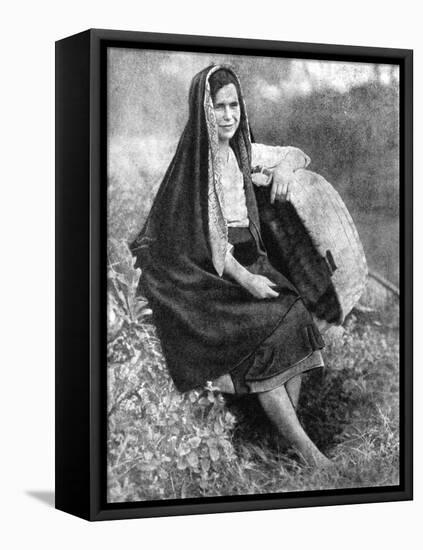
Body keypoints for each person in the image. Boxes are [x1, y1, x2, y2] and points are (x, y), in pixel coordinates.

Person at [130, 65, 332, 468]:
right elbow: (210, 243)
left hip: (248, 257)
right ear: (203, 111)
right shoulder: (198, 165)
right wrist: (249, 281)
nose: (227, 116)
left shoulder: (241, 150)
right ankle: (310, 456)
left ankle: (284, 441)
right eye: (218, 107)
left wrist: (286, 169)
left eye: (233, 105)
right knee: (265, 332)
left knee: (296, 316)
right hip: (209, 272)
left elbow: (296, 154)